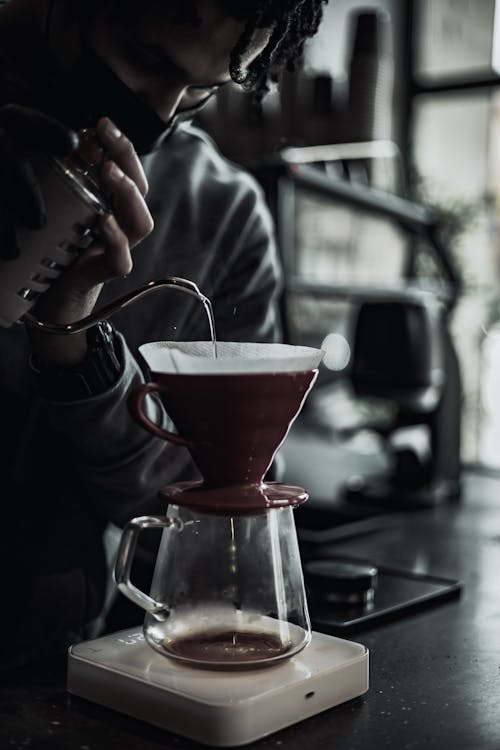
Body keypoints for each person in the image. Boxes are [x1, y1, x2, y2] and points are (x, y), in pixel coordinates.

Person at [0, 0, 328, 669]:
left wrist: (72, 343)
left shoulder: (221, 219)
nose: (162, 111)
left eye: (204, 89)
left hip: (54, 666)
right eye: (148, 60)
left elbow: (211, 513)